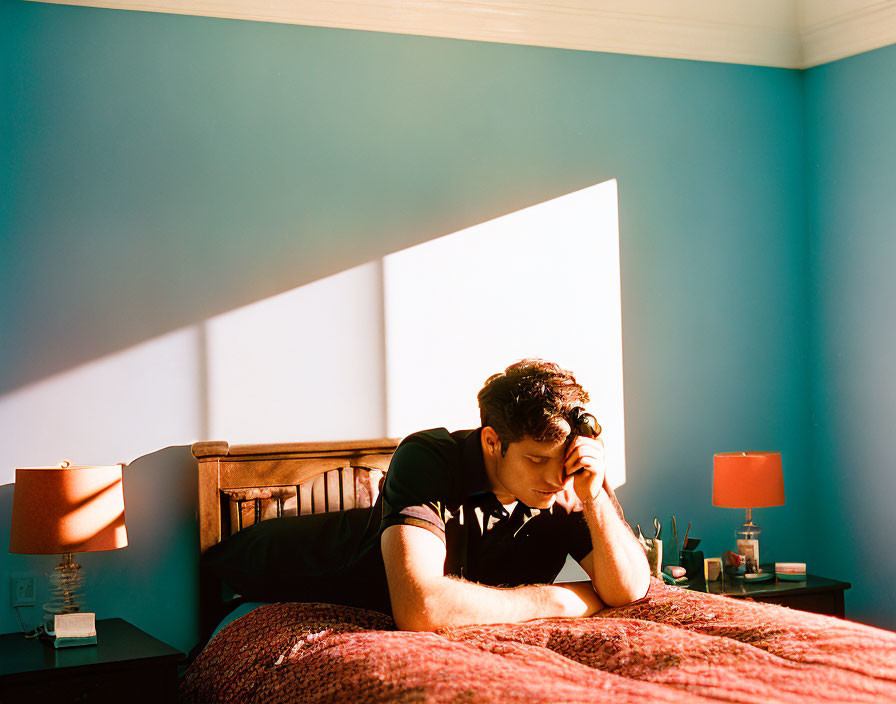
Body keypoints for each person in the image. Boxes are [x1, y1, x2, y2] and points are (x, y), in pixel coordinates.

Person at [380, 358, 650, 631]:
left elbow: (629, 590)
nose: (557, 479)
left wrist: (594, 498)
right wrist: (557, 601)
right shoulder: (426, 460)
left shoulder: (573, 477)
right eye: (536, 460)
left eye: (564, 459)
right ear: (492, 442)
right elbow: (419, 608)